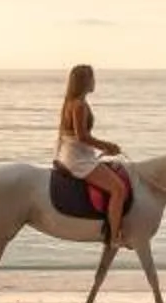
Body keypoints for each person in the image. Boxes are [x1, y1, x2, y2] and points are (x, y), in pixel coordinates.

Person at [55, 63, 133, 249]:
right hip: (77, 159)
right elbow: (82, 136)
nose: (94, 82)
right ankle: (114, 237)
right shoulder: (79, 105)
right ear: (85, 81)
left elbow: (75, 137)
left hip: (74, 154)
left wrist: (101, 149)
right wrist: (107, 145)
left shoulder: (70, 102)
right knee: (118, 189)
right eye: (92, 78)